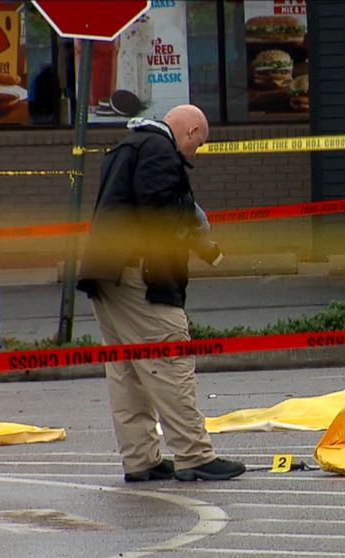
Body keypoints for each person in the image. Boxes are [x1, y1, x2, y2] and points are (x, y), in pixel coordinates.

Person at [76, 104, 244, 482]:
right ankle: (194, 455)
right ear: (190, 132)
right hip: (141, 276)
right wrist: (195, 222)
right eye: (198, 145)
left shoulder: (127, 147)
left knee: (128, 372)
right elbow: (160, 209)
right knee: (171, 361)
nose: (194, 153)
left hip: (107, 273)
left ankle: (141, 460)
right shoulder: (158, 151)